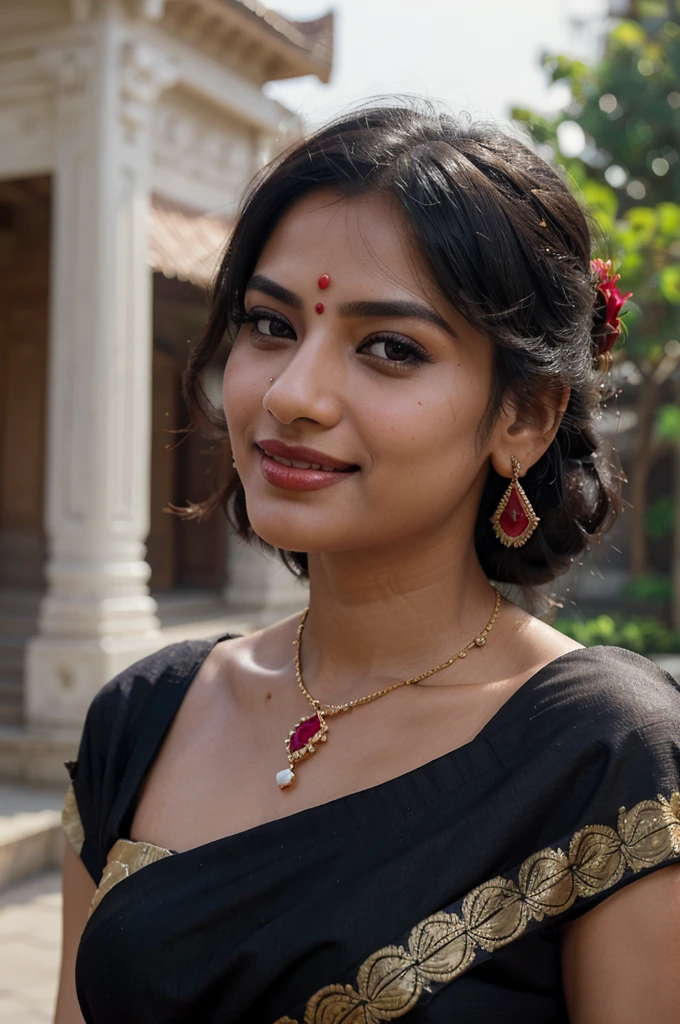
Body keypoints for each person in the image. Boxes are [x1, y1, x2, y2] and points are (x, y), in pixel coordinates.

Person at [55, 102, 680, 1024]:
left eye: (391, 348)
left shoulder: (609, 758)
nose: (293, 393)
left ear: (524, 419)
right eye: (270, 325)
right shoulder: (141, 717)